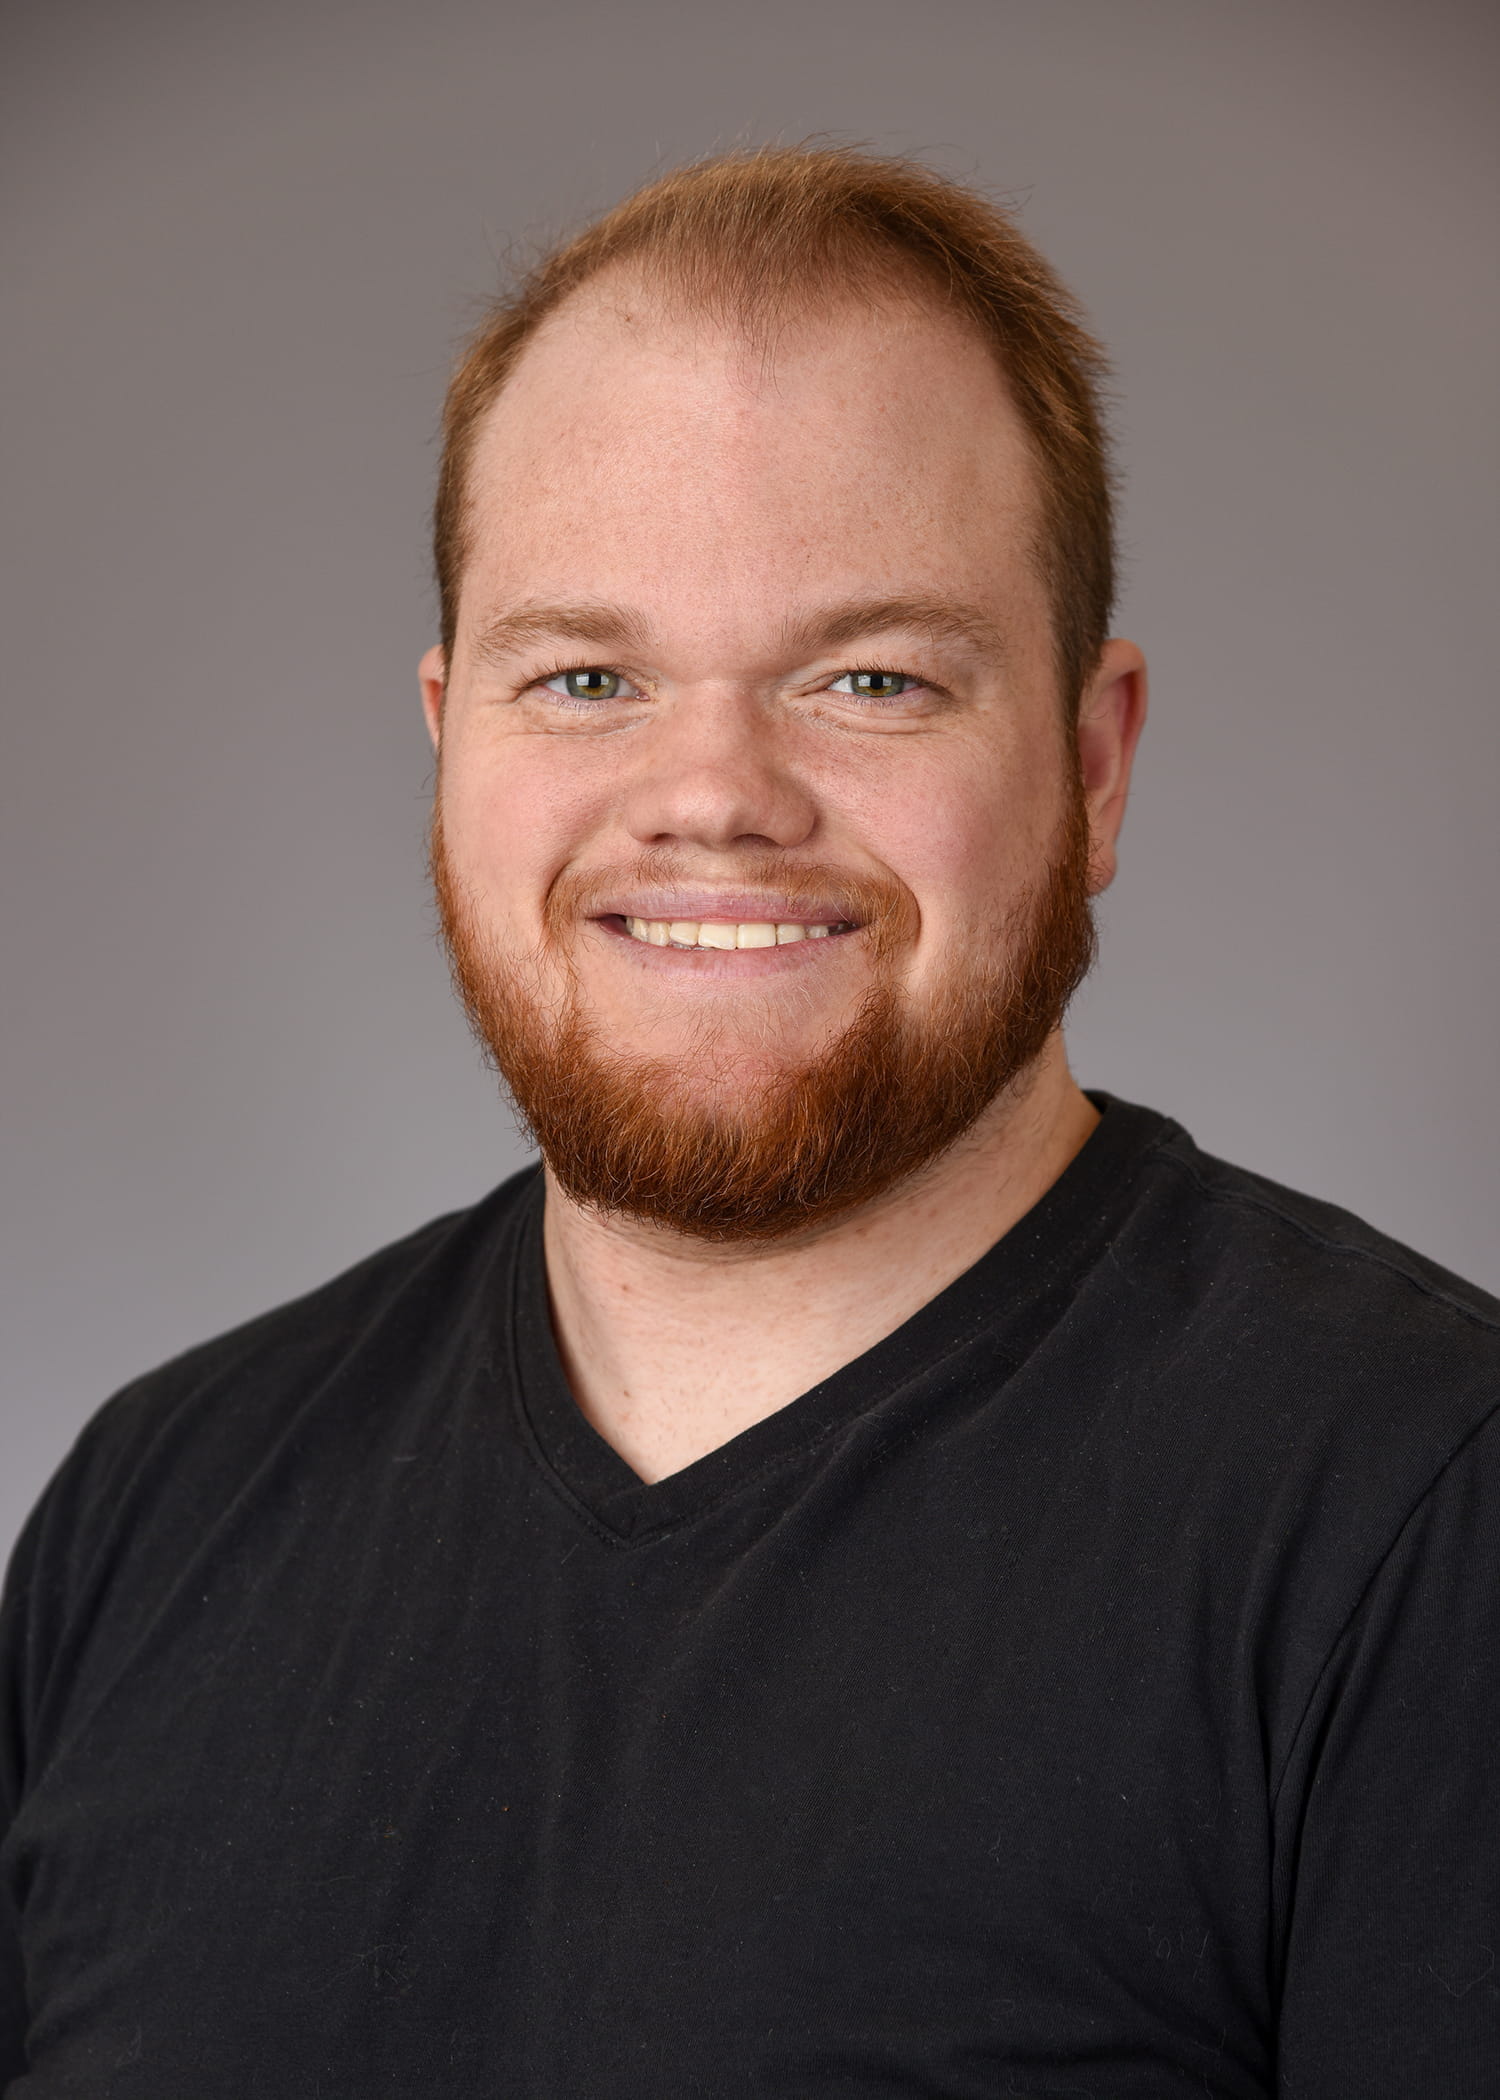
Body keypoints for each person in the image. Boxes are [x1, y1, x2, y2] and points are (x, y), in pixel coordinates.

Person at [1, 145, 1495, 2099]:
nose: (711, 794)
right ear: (448, 738)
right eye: (587, 676)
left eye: (872, 677)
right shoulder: (157, 1511)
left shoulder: (1424, 1518)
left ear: (1093, 764)